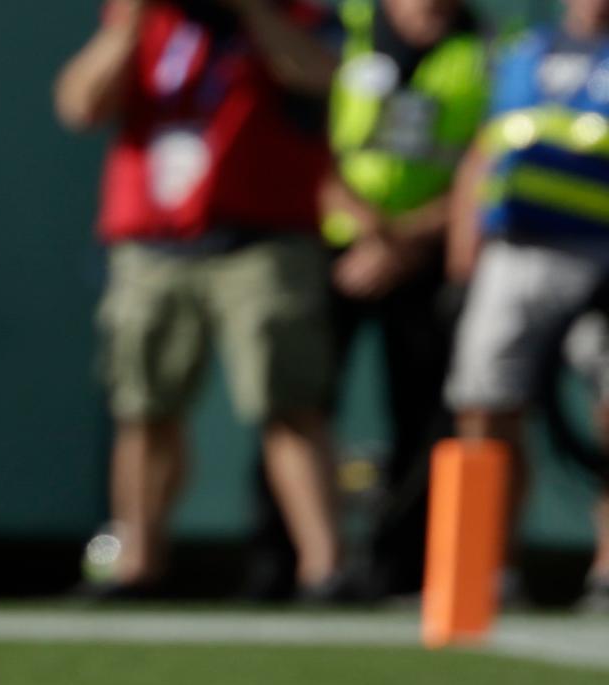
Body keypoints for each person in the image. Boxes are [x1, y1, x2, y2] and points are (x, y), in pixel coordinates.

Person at [55, 0, 345, 600]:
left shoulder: (294, 12)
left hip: (262, 237)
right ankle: (138, 560)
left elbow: (317, 74)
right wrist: (131, 24)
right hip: (153, 241)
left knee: (290, 403)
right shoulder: (144, 18)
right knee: (144, 407)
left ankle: (326, 567)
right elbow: (81, 105)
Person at [249, 0, 489, 601]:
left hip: (427, 257)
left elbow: (483, 164)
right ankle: (280, 564)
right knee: (297, 403)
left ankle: (402, 569)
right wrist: (366, 229)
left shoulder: (483, 48)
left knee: (425, 414)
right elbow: (304, 129)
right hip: (333, 247)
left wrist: (405, 241)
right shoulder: (340, 29)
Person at [445, 0, 609, 613]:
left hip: (600, 251)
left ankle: (606, 570)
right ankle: (485, 568)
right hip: (515, 253)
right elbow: (488, 145)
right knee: (486, 404)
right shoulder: (525, 52)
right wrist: (466, 232)